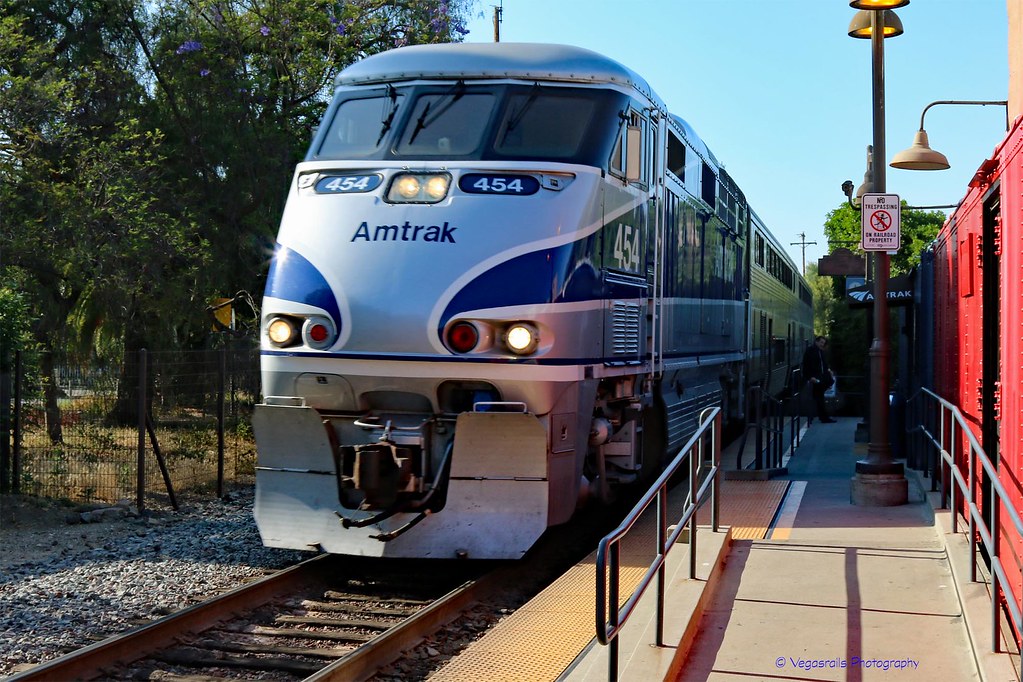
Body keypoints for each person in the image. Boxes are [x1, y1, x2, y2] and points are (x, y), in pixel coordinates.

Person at [802, 336, 836, 424]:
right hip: (816, 377)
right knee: (819, 397)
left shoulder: (819, 351)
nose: (822, 344)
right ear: (816, 342)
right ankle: (823, 417)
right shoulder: (811, 351)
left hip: (820, 377)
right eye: (821, 342)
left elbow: (823, 364)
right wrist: (810, 377)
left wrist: (828, 370)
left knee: (819, 397)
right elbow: (806, 365)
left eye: (823, 343)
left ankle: (822, 417)